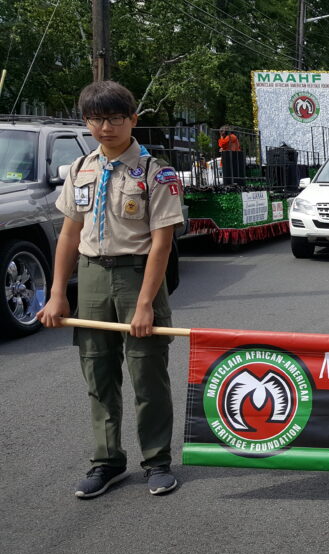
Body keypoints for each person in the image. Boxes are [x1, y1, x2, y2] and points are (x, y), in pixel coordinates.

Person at [37, 81, 184, 498]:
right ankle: (107, 462)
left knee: (146, 374)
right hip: (92, 278)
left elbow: (162, 242)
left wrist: (144, 305)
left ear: (133, 120)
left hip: (138, 276)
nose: (105, 127)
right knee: (98, 373)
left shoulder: (157, 172)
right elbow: (68, 236)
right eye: (96, 119)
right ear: (86, 122)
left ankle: (157, 461)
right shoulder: (82, 168)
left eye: (114, 118)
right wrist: (58, 293)